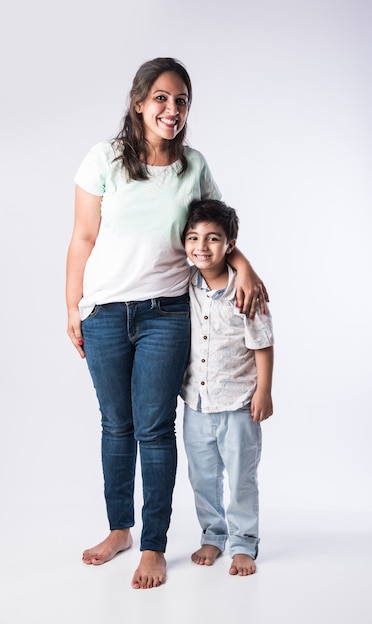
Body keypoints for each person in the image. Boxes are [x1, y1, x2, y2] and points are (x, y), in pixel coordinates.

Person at [66, 57, 269, 589]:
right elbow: (83, 237)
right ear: (138, 102)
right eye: (161, 98)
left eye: (181, 101)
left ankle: (153, 544)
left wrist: (244, 266)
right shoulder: (103, 160)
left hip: (167, 313)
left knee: (154, 429)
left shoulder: (193, 165)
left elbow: (218, 228)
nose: (172, 110)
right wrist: (72, 306)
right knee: (116, 425)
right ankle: (119, 530)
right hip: (105, 312)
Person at [180, 198, 274, 576]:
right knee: (202, 477)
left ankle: (243, 542)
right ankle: (213, 534)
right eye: (193, 238)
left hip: (237, 403)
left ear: (230, 246)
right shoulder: (184, 283)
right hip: (195, 404)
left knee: (240, 477)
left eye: (213, 239)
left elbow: (263, 343)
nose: (202, 247)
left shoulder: (246, 291)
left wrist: (263, 391)